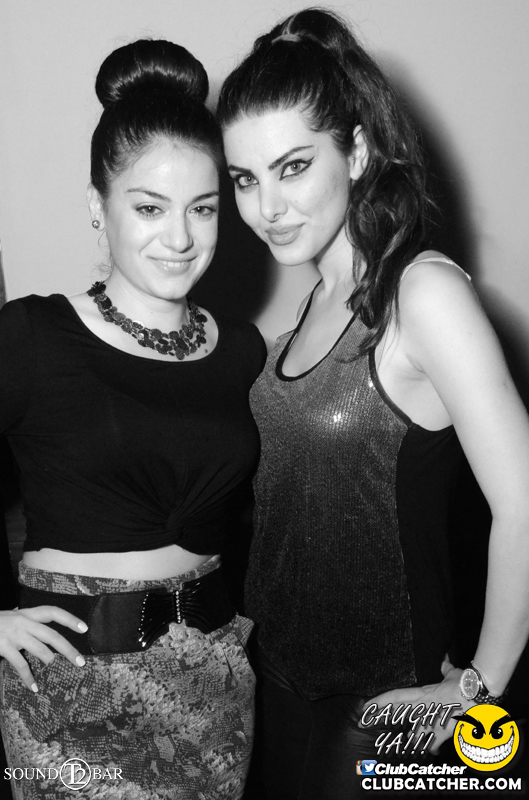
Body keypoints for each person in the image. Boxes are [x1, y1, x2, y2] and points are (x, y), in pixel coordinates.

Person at [218, 8, 529, 799]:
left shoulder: (421, 293)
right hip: (275, 682)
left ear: (355, 151)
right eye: (245, 179)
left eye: (292, 167)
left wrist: (480, 685)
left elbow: (523, 501)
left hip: (382, 706)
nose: (266, 206)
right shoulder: (305, 312)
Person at [0, 38, 265, 800]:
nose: (179, 238)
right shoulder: (32, 336)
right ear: (98, 206)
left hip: (213, 680)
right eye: (149, 208)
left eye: (202, 209)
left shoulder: (241, 349)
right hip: (69, 689)